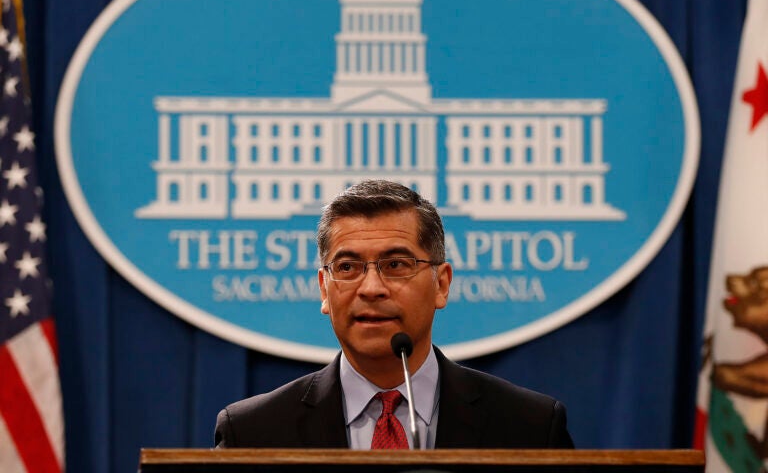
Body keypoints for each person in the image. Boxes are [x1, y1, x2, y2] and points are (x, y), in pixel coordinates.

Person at [215, 180, 574, 449]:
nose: (371, 287)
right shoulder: (252, 432)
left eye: (396, 264)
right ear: (324, 289)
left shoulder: (530, 426)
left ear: (441, 284)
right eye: (348, 266)